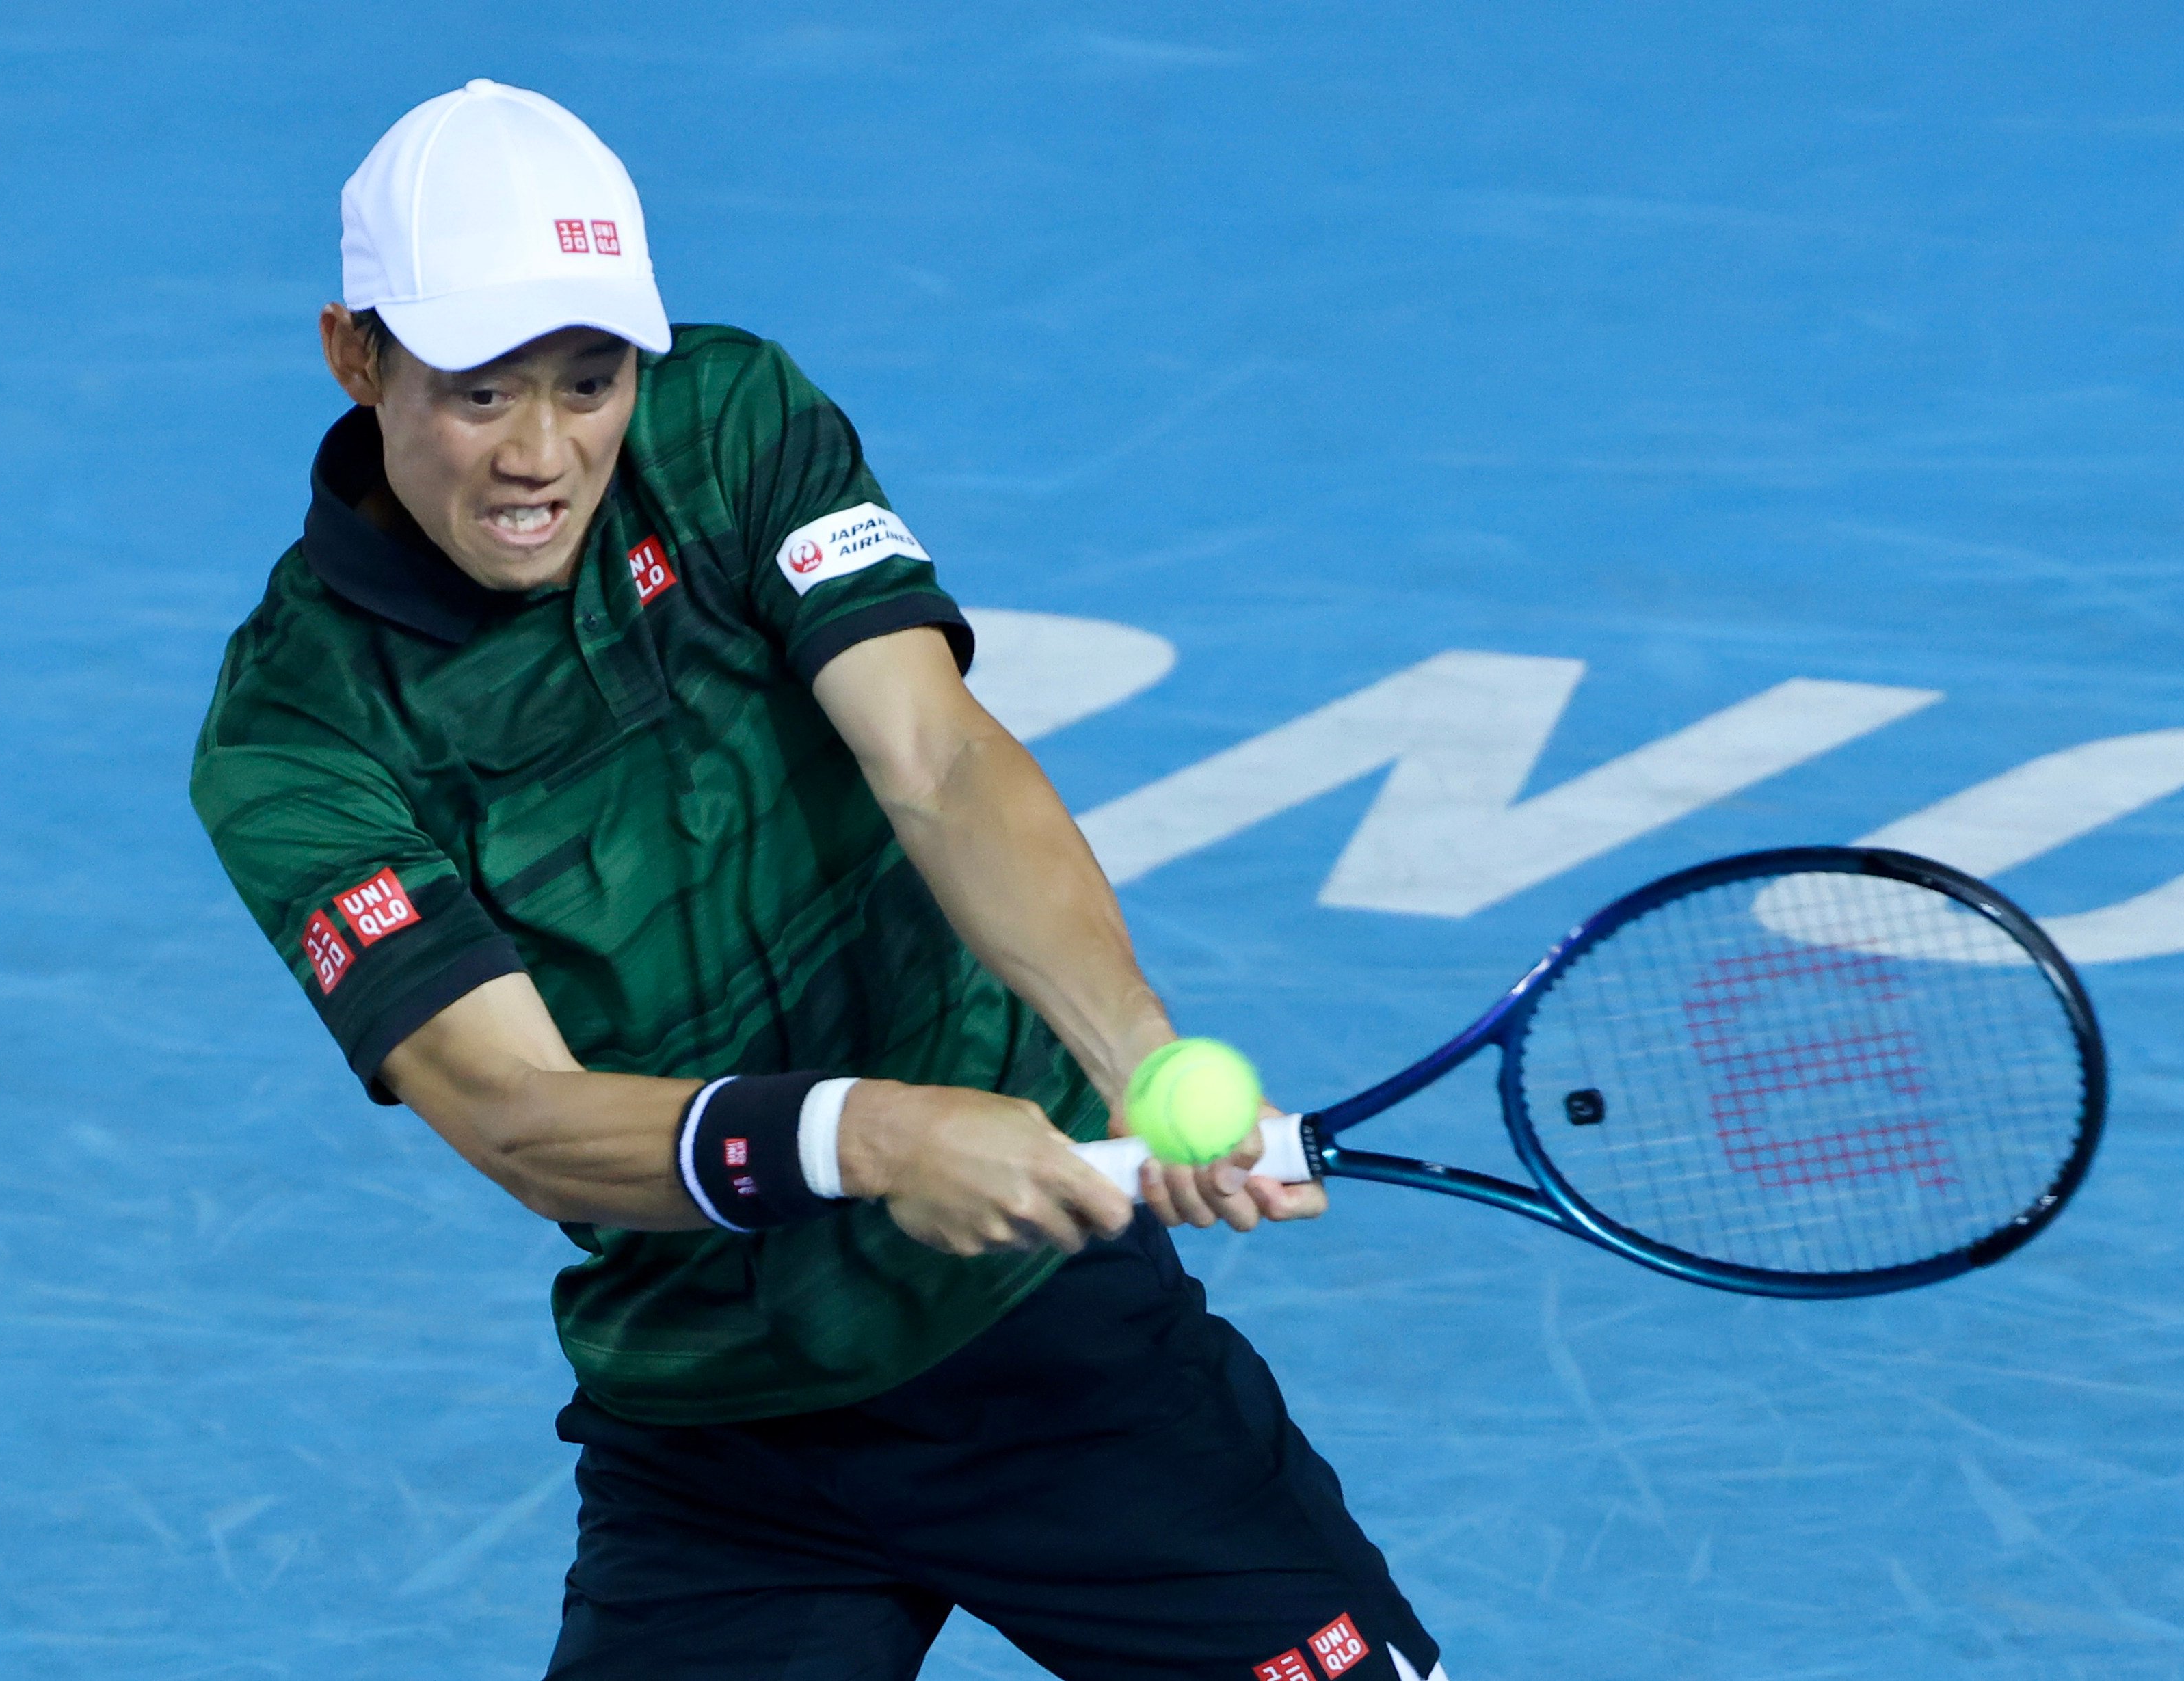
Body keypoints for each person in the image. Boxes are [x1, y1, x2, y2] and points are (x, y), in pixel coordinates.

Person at [191, 79, 1445, 1681]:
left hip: (1046, 1344)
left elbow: (936, 755)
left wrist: (1137, 1058)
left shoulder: (726, 425)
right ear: (354, 355)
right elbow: (516, 1113)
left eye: (589, 383)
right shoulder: (295, 733)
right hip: (724, 1439)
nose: (544, 453)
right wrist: (872, 1135)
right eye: (478, 393)